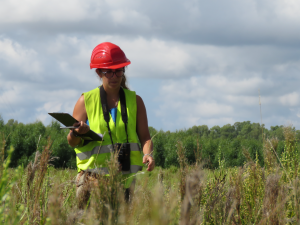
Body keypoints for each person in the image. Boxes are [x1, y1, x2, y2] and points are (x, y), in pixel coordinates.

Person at [67, 42, 155, 208]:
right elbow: (71, 141)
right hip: (90, 181)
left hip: (125, 181)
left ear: (123, 71)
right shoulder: (85, 100)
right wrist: (77, 133)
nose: (114, 76)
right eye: (109, 72)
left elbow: (145, 138)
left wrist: (148, 154)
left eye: (118, 71)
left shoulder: (136, 101)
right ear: (99, 72)